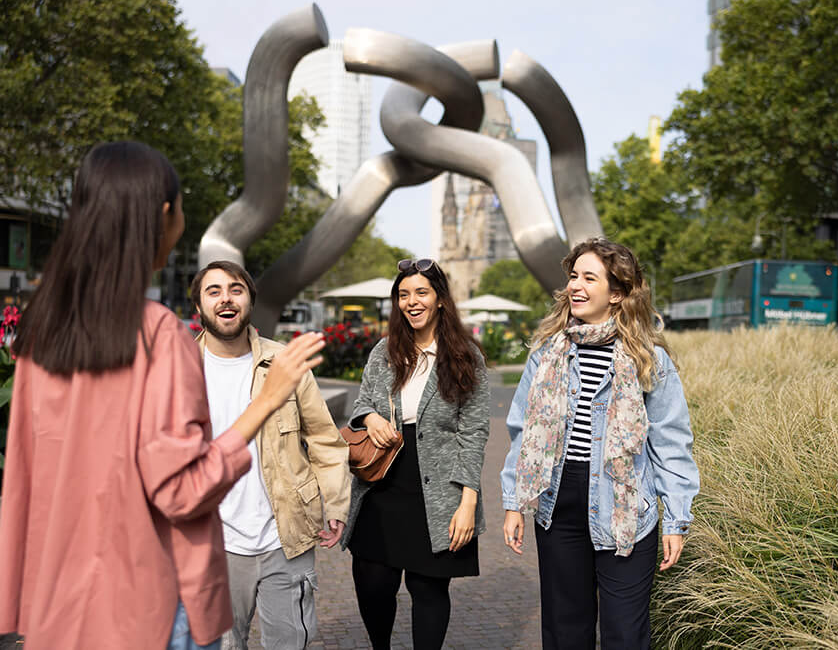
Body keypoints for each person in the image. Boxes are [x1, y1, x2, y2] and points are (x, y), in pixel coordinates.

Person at [0, 141, 325, 650]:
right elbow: (182, 490)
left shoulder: (41, 332)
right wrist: (266, 401)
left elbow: (22, 479)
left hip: (62, 600)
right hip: (152, 600)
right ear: (164, 213)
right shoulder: (158, 333)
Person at [500, 239, 700, 650]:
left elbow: (671, 441)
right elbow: (522, 429)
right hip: (557, 505)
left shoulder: (649, 359)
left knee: (625, 635)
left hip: (624, 507)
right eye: (573, 276)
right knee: (565, 632)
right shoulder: (548, 353)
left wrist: (677, 518)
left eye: (589, 278)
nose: (576, 285)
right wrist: (513, 501)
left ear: (617, 293)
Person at [188, 260, 350, 650]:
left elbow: (325, 440)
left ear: (249, 301)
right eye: (213, 291)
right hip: (213, 545)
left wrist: (336, 503)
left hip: (285, 537)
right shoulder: (180, 370)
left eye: (235, 289)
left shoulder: (285, 364)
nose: (225, 298)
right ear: (198, 308)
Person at [342, 258, 489, 650]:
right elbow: (361, 404)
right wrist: (370, 417)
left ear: (440, 298)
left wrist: (467, 502)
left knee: (428, 589)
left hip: (439, 490)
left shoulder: (465, 356)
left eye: (421, 292)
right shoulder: (384, 351)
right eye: (404, 294)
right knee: (372, 583)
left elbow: (473, 432)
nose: (412, 301)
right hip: (383, 484)